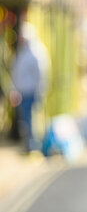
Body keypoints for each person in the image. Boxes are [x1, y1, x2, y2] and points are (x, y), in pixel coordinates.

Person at [11, 21, 50, 152]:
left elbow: (41, 74)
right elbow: (17, 72)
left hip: (31, 92)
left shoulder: (36, 52)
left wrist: (40, 91)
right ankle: (28, 145)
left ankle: (33, 146)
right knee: (25, 121)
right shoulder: (23, 52)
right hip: (22, 92)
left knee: (31, 120)